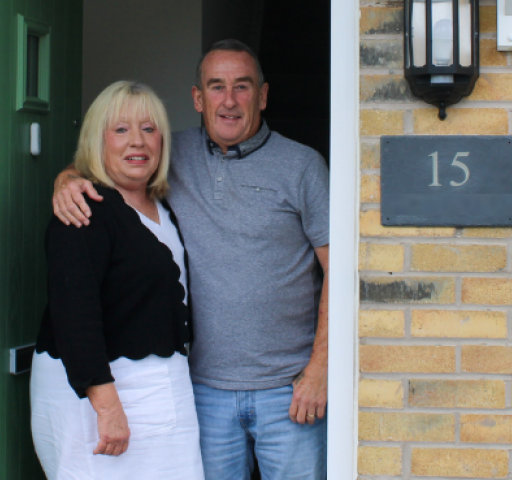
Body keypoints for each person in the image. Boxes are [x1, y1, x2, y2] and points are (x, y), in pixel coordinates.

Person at [53, 40, 329, 480]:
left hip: (289, 391)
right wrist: (67, 180)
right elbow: (110, 162)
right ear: (198, 98)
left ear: (263, 95)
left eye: (243, 86)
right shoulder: (167, 155)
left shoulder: (303, 166)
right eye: (216, 87)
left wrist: (319, 370)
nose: (230, 100)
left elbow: (338, 271)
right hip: (201, 391)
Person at [30, 80, 205, 480]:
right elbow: (74, 314)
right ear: (98, 139)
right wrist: (106, 407)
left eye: (148, 129)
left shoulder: (161, 204)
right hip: (100, 394)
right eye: (121, 130)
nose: (137, 142)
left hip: (162, 388)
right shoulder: (84, 208)